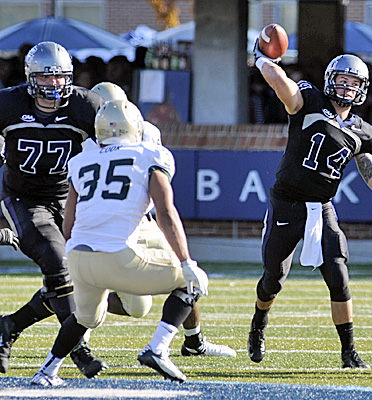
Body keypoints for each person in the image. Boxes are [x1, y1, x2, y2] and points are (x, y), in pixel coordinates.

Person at [248, 43, 372, 368]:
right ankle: (259, 322)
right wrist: (263, 58)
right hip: (287, 203)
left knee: (338, 275)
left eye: (353, 82)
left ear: (362, 89)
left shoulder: (363, 133)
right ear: (330, 80)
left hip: (322, 207)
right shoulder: (309, 102)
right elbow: (281, 83)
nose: (346, 87)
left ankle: (349, 352)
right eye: (342, 80)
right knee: (273, 279)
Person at [31, 99, 210, 386]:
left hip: (78, 256)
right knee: (190, 281)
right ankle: (158, 347)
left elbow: (69, 223)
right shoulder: (150, 154)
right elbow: (165, 212)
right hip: (119, 257)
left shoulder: (81, 161)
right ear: (136, 128)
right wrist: (187, 262)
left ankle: (47, 370)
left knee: (85, 318)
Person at [87, 82, 236, 358]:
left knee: (187, 272)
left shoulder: (147, 134)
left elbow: (159, 189)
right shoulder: (86, 140)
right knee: (137, 307)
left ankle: (194, 341)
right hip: (107, 224)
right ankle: (78, 303)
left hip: (142, 218)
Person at [0, 41, 108, 378]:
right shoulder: (8, 103)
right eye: (46, 78)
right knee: (56, 260)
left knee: (79, 274)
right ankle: (77, 349)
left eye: (61, 77)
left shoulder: (85, 105)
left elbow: (117, 147)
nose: (54, 85)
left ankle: (9, 326)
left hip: (68, 199)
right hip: (22, 199)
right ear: (31, 77)